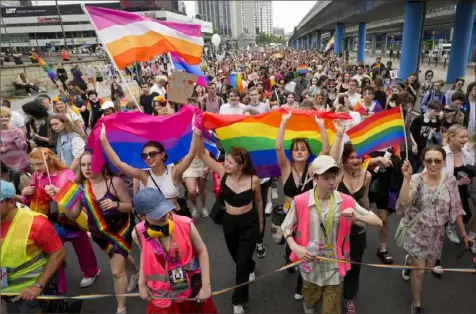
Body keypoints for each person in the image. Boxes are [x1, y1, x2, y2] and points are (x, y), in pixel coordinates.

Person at [281, 155, 382, 314]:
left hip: (334, 266)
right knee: (310, 300)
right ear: (315, 177)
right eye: (326, 177)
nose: (332, 182)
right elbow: (285, 227)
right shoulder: (300, 201)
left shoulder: (346, 201)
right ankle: (308, 305)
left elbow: (378, 222)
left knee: (331, 309)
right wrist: (294, 247)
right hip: (309, 267)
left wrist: (358, 217)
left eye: (334, 177)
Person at [62, 152, 140, 313]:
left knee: (117, 271)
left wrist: (115, 204)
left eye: (90, 164)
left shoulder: (114, 182)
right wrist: (65, 203)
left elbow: (129, 206)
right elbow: (74, 215)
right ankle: (136, 273)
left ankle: (121, 308)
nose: (86, 168)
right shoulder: (79, 187)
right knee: (120, 257)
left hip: (121, 230)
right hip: (100, 234)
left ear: (100, 164)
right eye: (83, 165)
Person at [398, 146, 470, 314]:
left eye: (437, 161)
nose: (433, 164)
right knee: (420, 272)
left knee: (429, 268)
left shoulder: (450, 180)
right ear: (423, 161)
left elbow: (457, 209)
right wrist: (406, 179)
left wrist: (464, 235)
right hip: (416, 232)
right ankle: (416, 305)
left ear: (443, 162)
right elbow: (403, 204)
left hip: (436, 235)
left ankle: (409, 262)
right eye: (429, 160)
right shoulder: (416, 179)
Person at [197, 139, 263, 314]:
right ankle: (249, 266)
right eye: (226, 160)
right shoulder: (222, 172)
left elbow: (258, 202)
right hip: (229, 223)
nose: (225, 163)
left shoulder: (254, 180)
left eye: (230, 162)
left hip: (249, 224)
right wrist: (196, 132)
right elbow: (202, 154)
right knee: (237, 257)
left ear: (241, 166)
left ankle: (238, 300)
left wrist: (261, 225)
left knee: (240, 266)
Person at [21, 148, 100, 293]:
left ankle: (91, 271)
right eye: (33, 165)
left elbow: (75, 201)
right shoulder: (36, 176)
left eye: (39, 164)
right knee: (55, 256)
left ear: (49, 160)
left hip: (69, 221)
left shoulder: (66, 174)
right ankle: (59, 288)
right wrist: (25, 194)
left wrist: (59, 192)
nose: (36, 168)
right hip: (49, 223)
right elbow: (29, 201)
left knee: (83, 248)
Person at [132, 188, 216, 314]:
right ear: (141, 217)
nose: (164, 215)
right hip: (162, 298)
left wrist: (206, 285)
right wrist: (141, 283)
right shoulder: (138, 233)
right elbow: (145, 256)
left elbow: (202, 251)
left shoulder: (185, 224)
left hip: (191, 292)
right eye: (156, 214)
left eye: (163, 209)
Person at [100, 123, 199, 212]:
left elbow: (190, 155)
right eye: (144, 156)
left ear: (162, 154)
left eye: (152, 154)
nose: (148, 158)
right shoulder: (144, 175)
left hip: (175, 219)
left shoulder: (174, 171)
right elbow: (118, 164)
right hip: (154, 223)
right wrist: (104, 140)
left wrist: (195, 132)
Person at [1, 180, 66, 314]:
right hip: (4, 291)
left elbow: (58, 253)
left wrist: (38, 286)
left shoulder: (36, 223)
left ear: (11, 202)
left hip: (29, 295)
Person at [0, 107, 29, 172]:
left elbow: (24, 146)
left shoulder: (17, 130)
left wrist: (14, 135)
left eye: (6, 116)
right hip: (5, 165)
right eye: (1, 117)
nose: (4, 118)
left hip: (21, 163)